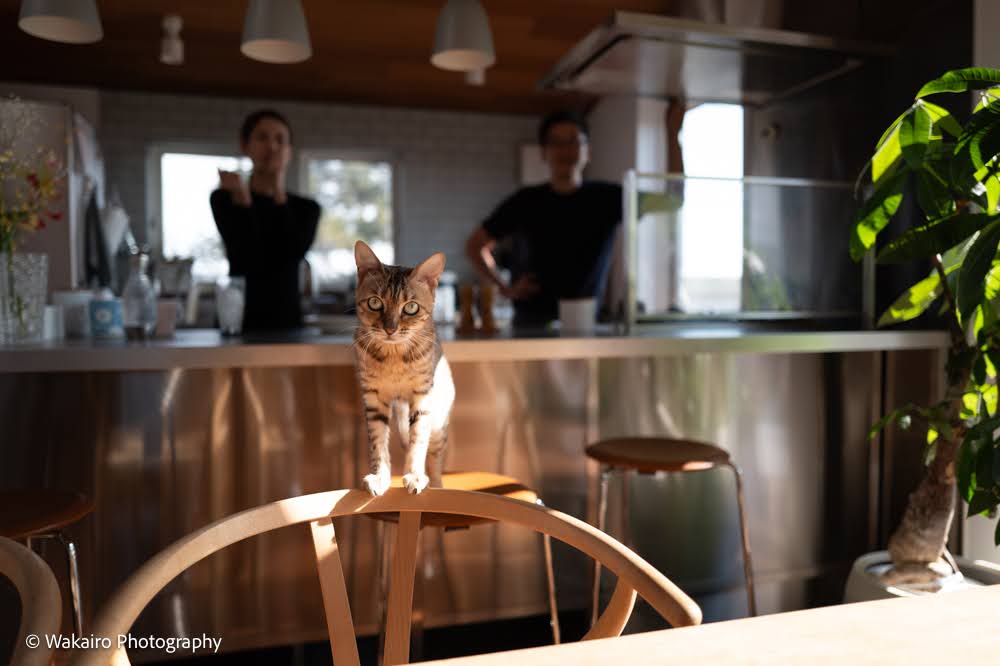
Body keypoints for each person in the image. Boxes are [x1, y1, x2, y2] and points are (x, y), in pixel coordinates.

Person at [465, 105, 684, 327]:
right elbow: (475, 246)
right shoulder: (525, 201)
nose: (565, 150)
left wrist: (674, 133)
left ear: (588, 151)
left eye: (573, 141)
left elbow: (674, 201)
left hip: (585, 323)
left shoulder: (608, 198)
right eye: (556, 142)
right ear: (543, 152)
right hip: (532, 324)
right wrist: (504, 287)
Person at [210, 109, 320, 331]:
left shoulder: (307, 209)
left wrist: (278, 193)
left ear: (289, 151)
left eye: (280, 140)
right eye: (262, 138)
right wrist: (244, 203)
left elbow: (291, 254)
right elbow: (248, 256)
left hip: (286, 321)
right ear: (245, 145)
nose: (272, 147)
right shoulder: (225, 198)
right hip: (236, 321)